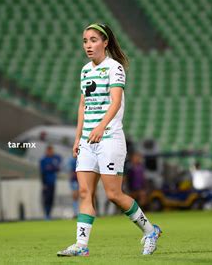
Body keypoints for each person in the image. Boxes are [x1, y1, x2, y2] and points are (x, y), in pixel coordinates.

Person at [57, 24, 161, 257]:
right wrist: (78, 137)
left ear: (105, 42)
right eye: (85, 41)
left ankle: (150, 230)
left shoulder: (115, 68)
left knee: (113, 194)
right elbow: (83, 105)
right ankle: (81, 246)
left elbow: (115, 102)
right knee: (85, 192)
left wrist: (101, 127)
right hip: (87, 141)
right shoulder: (85, 71)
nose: (88, 45)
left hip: (109, 138)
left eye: (93, 40)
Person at [39, 145, 61, 219]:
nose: (51, 152)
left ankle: (49, 214)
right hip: (46, 183)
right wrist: (43, 183)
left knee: (51, 198)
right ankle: (46, 214)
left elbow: (58, 167)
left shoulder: (55, 158)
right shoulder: (43, 160)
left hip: (53, 182)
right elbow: (42, 172)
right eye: (50, 150)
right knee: (46, 198)